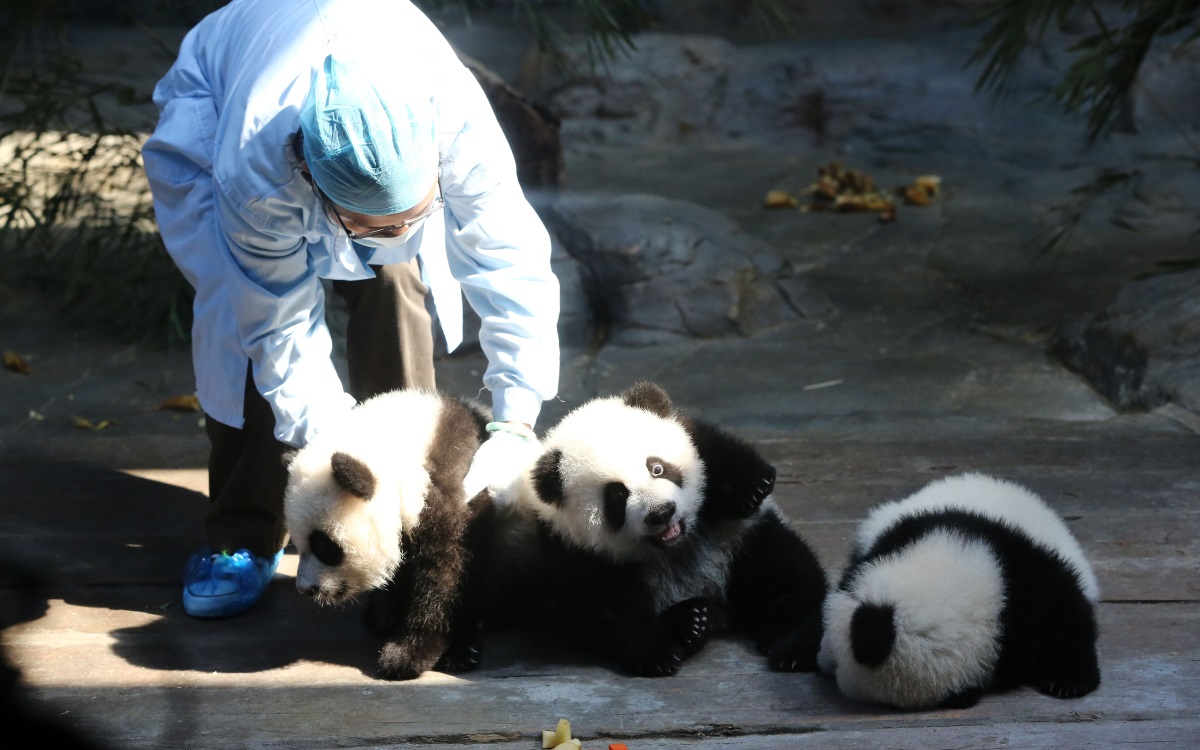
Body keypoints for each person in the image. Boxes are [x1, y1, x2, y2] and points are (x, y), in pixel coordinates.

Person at [141, 0, 560, 618]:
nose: (393, 230)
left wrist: (516, 420)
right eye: (371, 223)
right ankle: (244, 531)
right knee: (239, 321)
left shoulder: (455, 124)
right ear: (309, 178)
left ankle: (414, 507)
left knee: (397, 281)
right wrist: (336, 457)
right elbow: (279, 323)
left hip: (378, 150)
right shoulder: (255, 171)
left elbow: (511, 260)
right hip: (219, 97)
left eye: (412, 215)